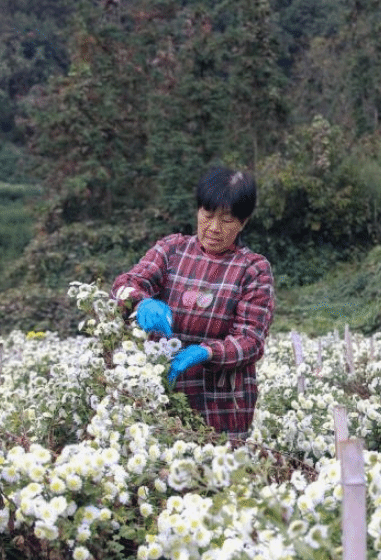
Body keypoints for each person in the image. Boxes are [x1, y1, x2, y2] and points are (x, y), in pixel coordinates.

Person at [112, 165, 275, 440]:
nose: (213, 228)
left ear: (243, 222)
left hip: (221, 404)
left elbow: (250, 339)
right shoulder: (172, 249)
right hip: (161, 394)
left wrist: (206, 352)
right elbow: (127, 284)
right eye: (207, 215)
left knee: (216, 476)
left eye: (226, 220)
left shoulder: (252, 269)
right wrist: (140, 304)